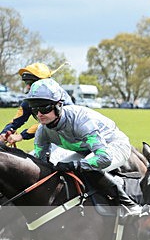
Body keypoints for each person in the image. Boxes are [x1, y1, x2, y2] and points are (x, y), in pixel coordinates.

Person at [25, 78, 141, 219]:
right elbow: (40, 164)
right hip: (86, 150)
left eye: (44, 107)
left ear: (59, 105)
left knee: (87, 167)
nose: (39, 114)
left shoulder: (81, 122)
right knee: (57, 169)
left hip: (114, 146)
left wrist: (76, 165)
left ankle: (129, 205)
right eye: (34, 108)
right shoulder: (42, 131)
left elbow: (104, 158)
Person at [1, 62, 70, 146]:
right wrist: (4, 133)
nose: (28, 87)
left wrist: (21, 135)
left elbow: (49, 123)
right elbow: (17, 120)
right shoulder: (31, 99)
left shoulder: (59, 97)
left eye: (31, 83)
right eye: (26, 83)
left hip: (70, 140)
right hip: (52, 139)